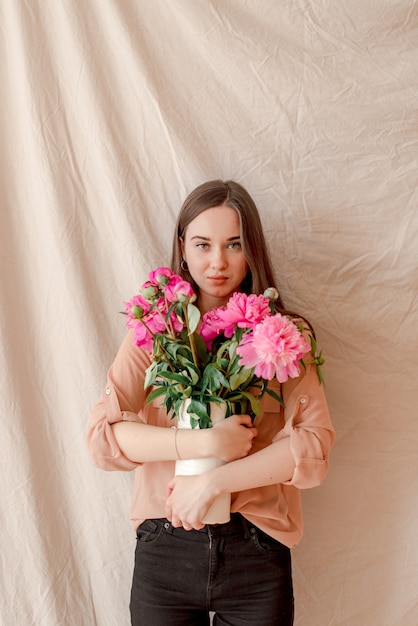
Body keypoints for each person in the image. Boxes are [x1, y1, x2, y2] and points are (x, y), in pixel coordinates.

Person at [87, 179, 335, 626]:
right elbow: (105, 439)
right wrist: (204, 443)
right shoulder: (155, 330)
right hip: (167, 545)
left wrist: (213, 483)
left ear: (251, 249)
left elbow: (313, 447)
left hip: (256, 551)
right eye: (203, 244)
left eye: (233, 244)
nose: (217, 262)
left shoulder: (283, 336)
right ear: (183, 247)